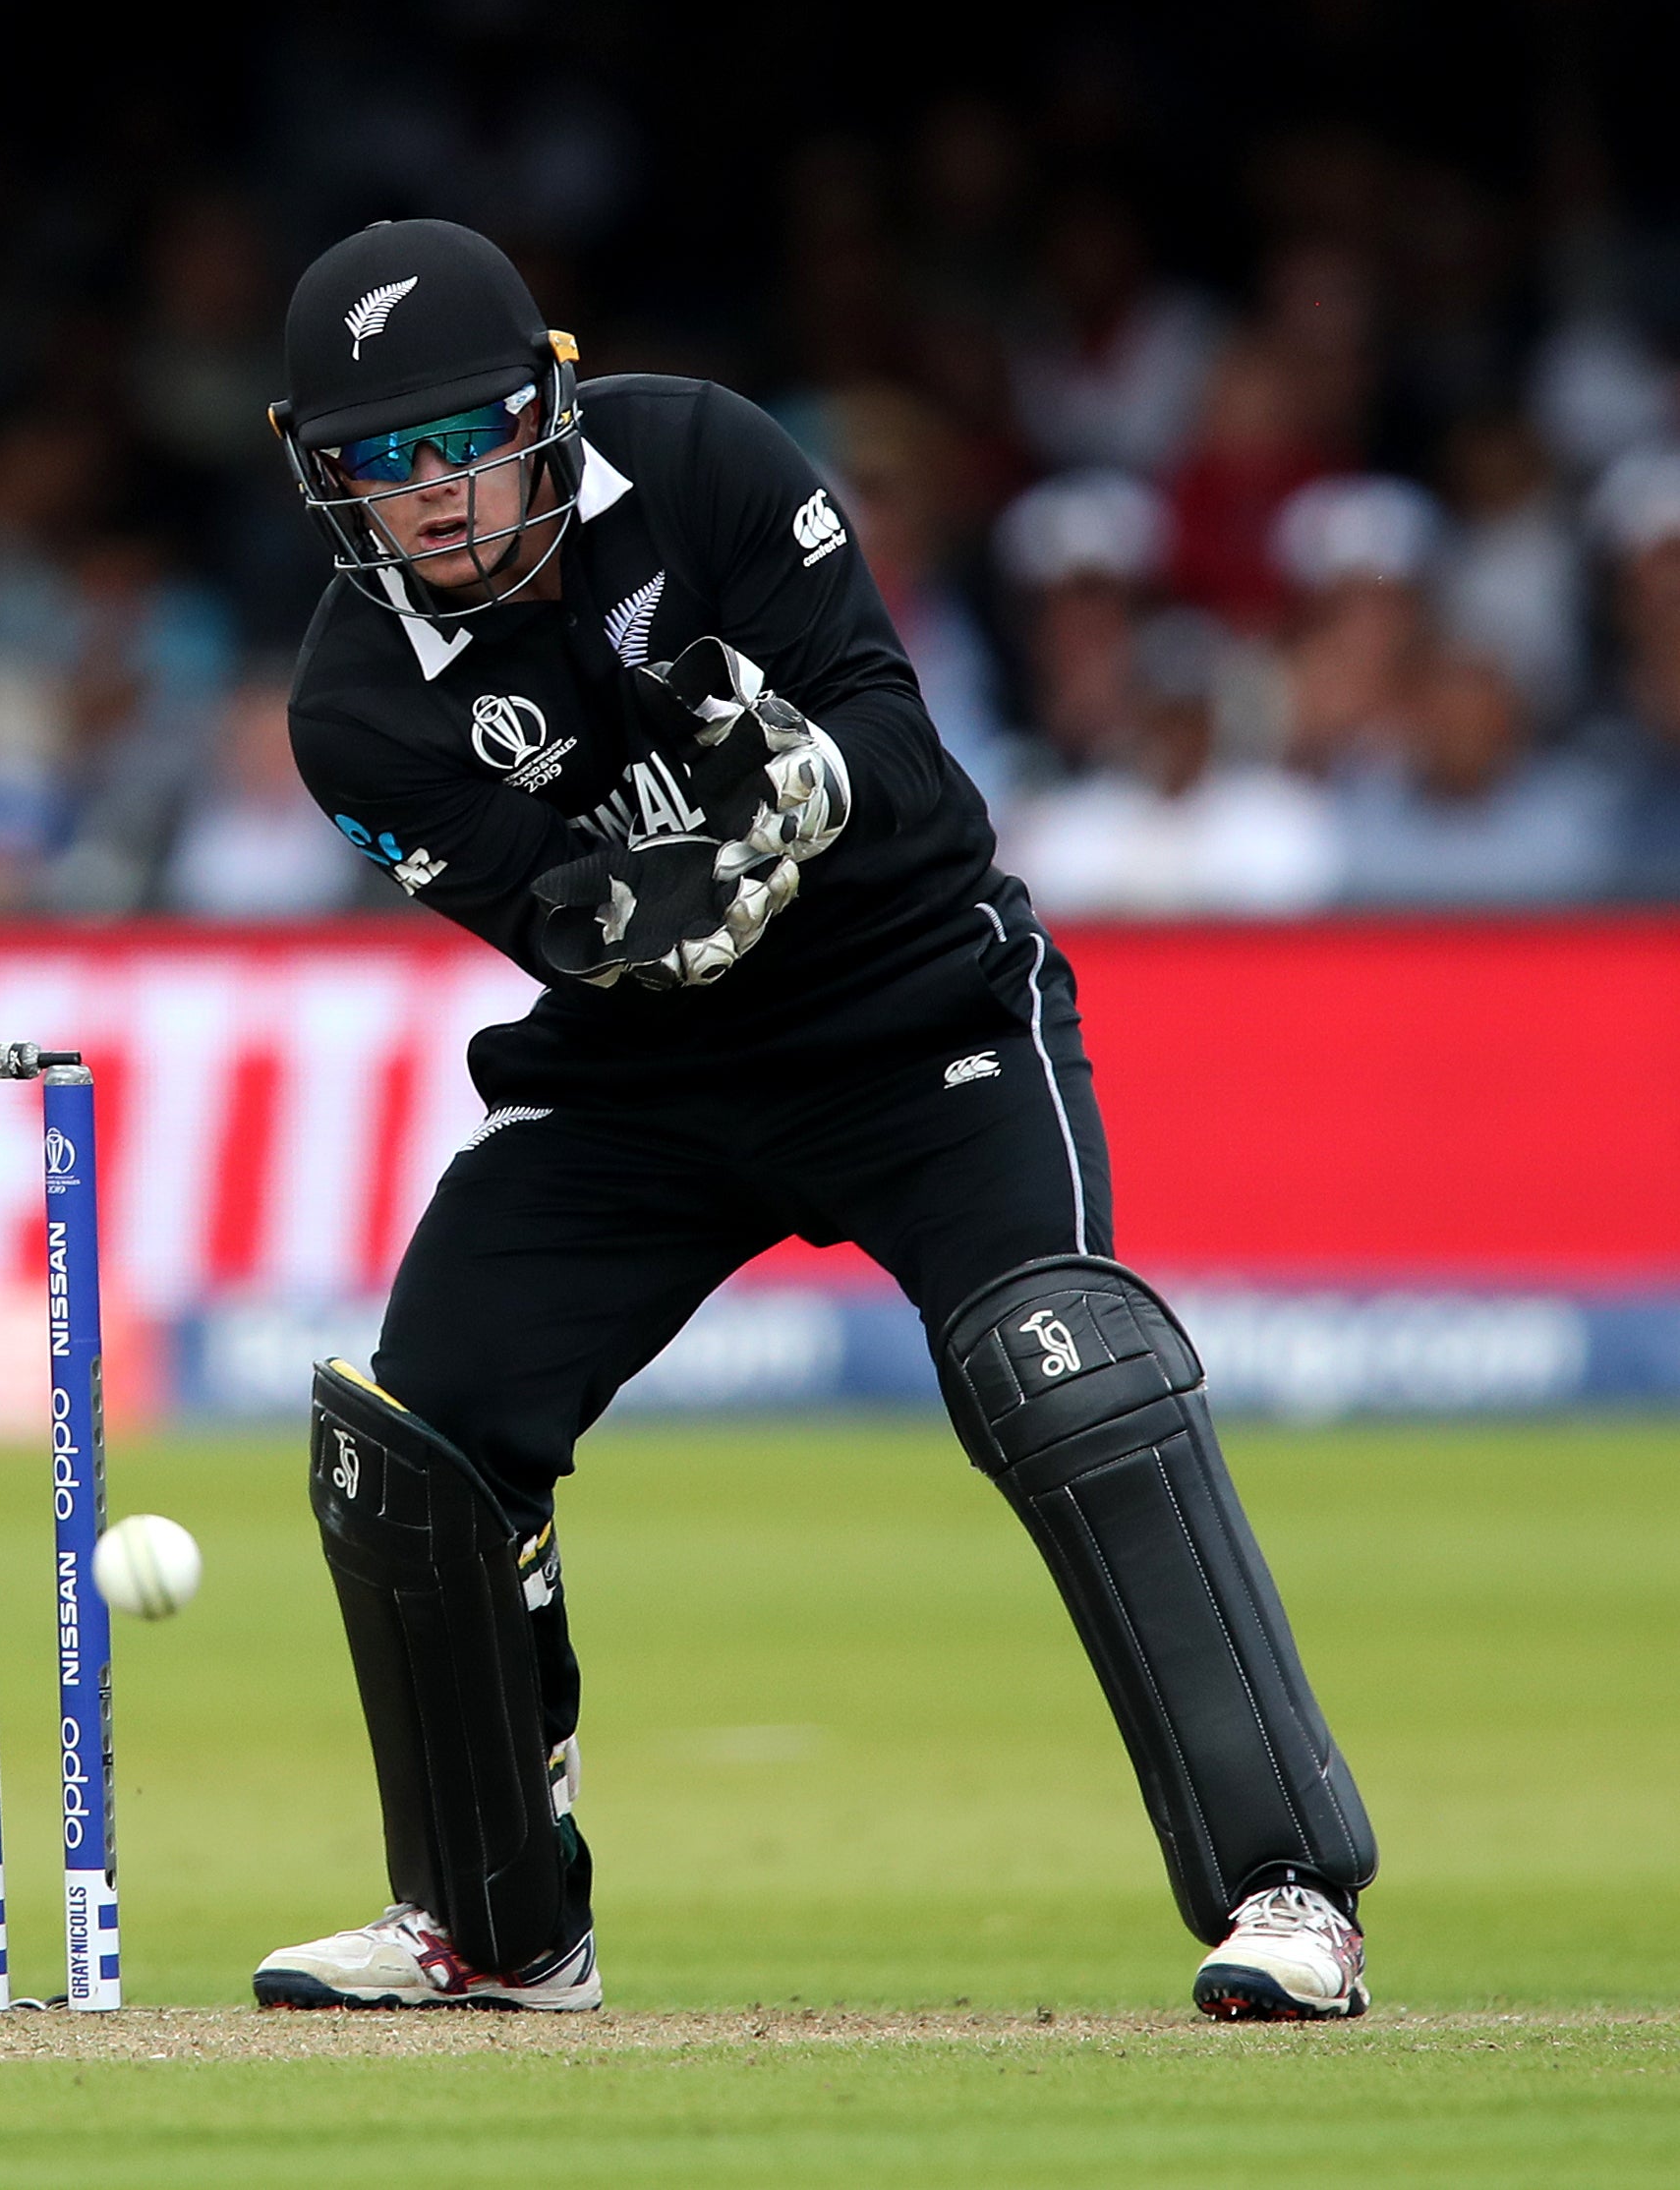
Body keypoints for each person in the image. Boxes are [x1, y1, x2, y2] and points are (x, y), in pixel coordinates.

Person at [258, 218, 1374, 2021]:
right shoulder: (356, 709)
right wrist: (652, 909)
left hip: (915, 1009)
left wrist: (813, 785)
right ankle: (497, 1925)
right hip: (647, 1073)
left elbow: (881, 711)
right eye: (380, 463)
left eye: (462, 435)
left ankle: (1288, 1893)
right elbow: (555, 916)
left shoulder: (699, 454)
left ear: (537, 406)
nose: (437, 492)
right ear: (325, 485)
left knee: (1058, 1363)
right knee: (425, 1432)